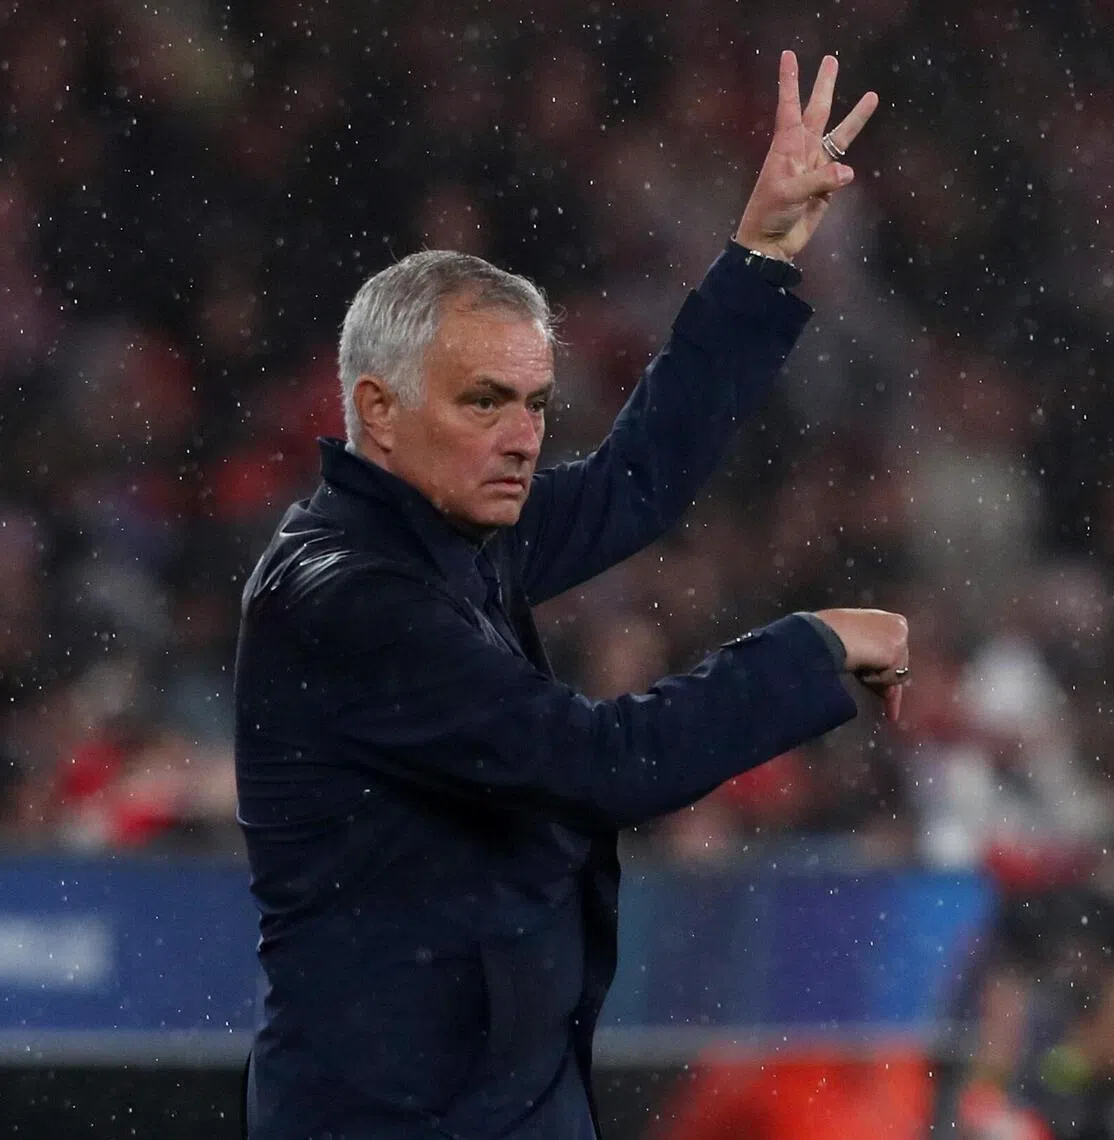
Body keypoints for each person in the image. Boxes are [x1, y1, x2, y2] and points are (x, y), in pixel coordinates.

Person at [235, 50, 906, 1140]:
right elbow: (603, 767)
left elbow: (638, 482)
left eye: (538, 403)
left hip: (506, 1091)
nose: (523, 437)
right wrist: (810, 651)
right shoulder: (348, 597)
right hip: (391, 1116)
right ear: (379, 409)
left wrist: (764, 249)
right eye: (486, 400)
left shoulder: (453, 527)